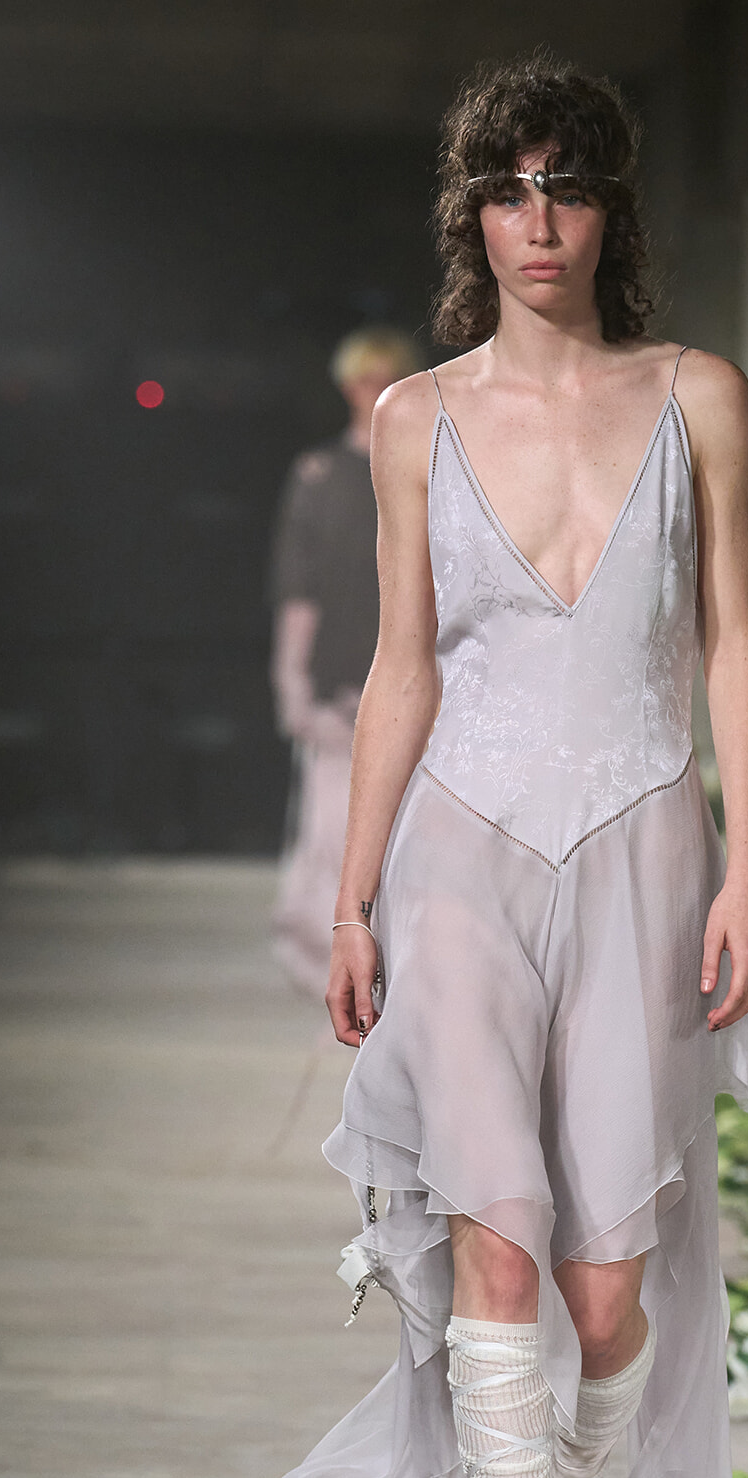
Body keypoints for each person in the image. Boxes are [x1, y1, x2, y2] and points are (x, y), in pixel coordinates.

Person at [248, 57, 748, 1478]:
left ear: (609, 209)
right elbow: (401, 671)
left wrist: (747, 860)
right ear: (471, 219)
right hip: (458, 862)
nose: (538, 221)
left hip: (646, 847)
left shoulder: (696, 392)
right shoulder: (415, 419)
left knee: (605, 1274)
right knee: (498, 1235)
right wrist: (353, 902)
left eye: (565, 187)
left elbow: (731, 639)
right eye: (507, 191)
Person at [269, 328, 422, 996]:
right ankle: (325, 962)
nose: (371, 390)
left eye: (384, 377)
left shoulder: (431, 469)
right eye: (362, 378)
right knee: (331, 829)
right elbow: (296, 587)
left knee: (410, 830)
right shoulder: (320, 475)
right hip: (339, 680)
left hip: (416, 675)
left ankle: (401, 962)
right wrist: (290, 679)